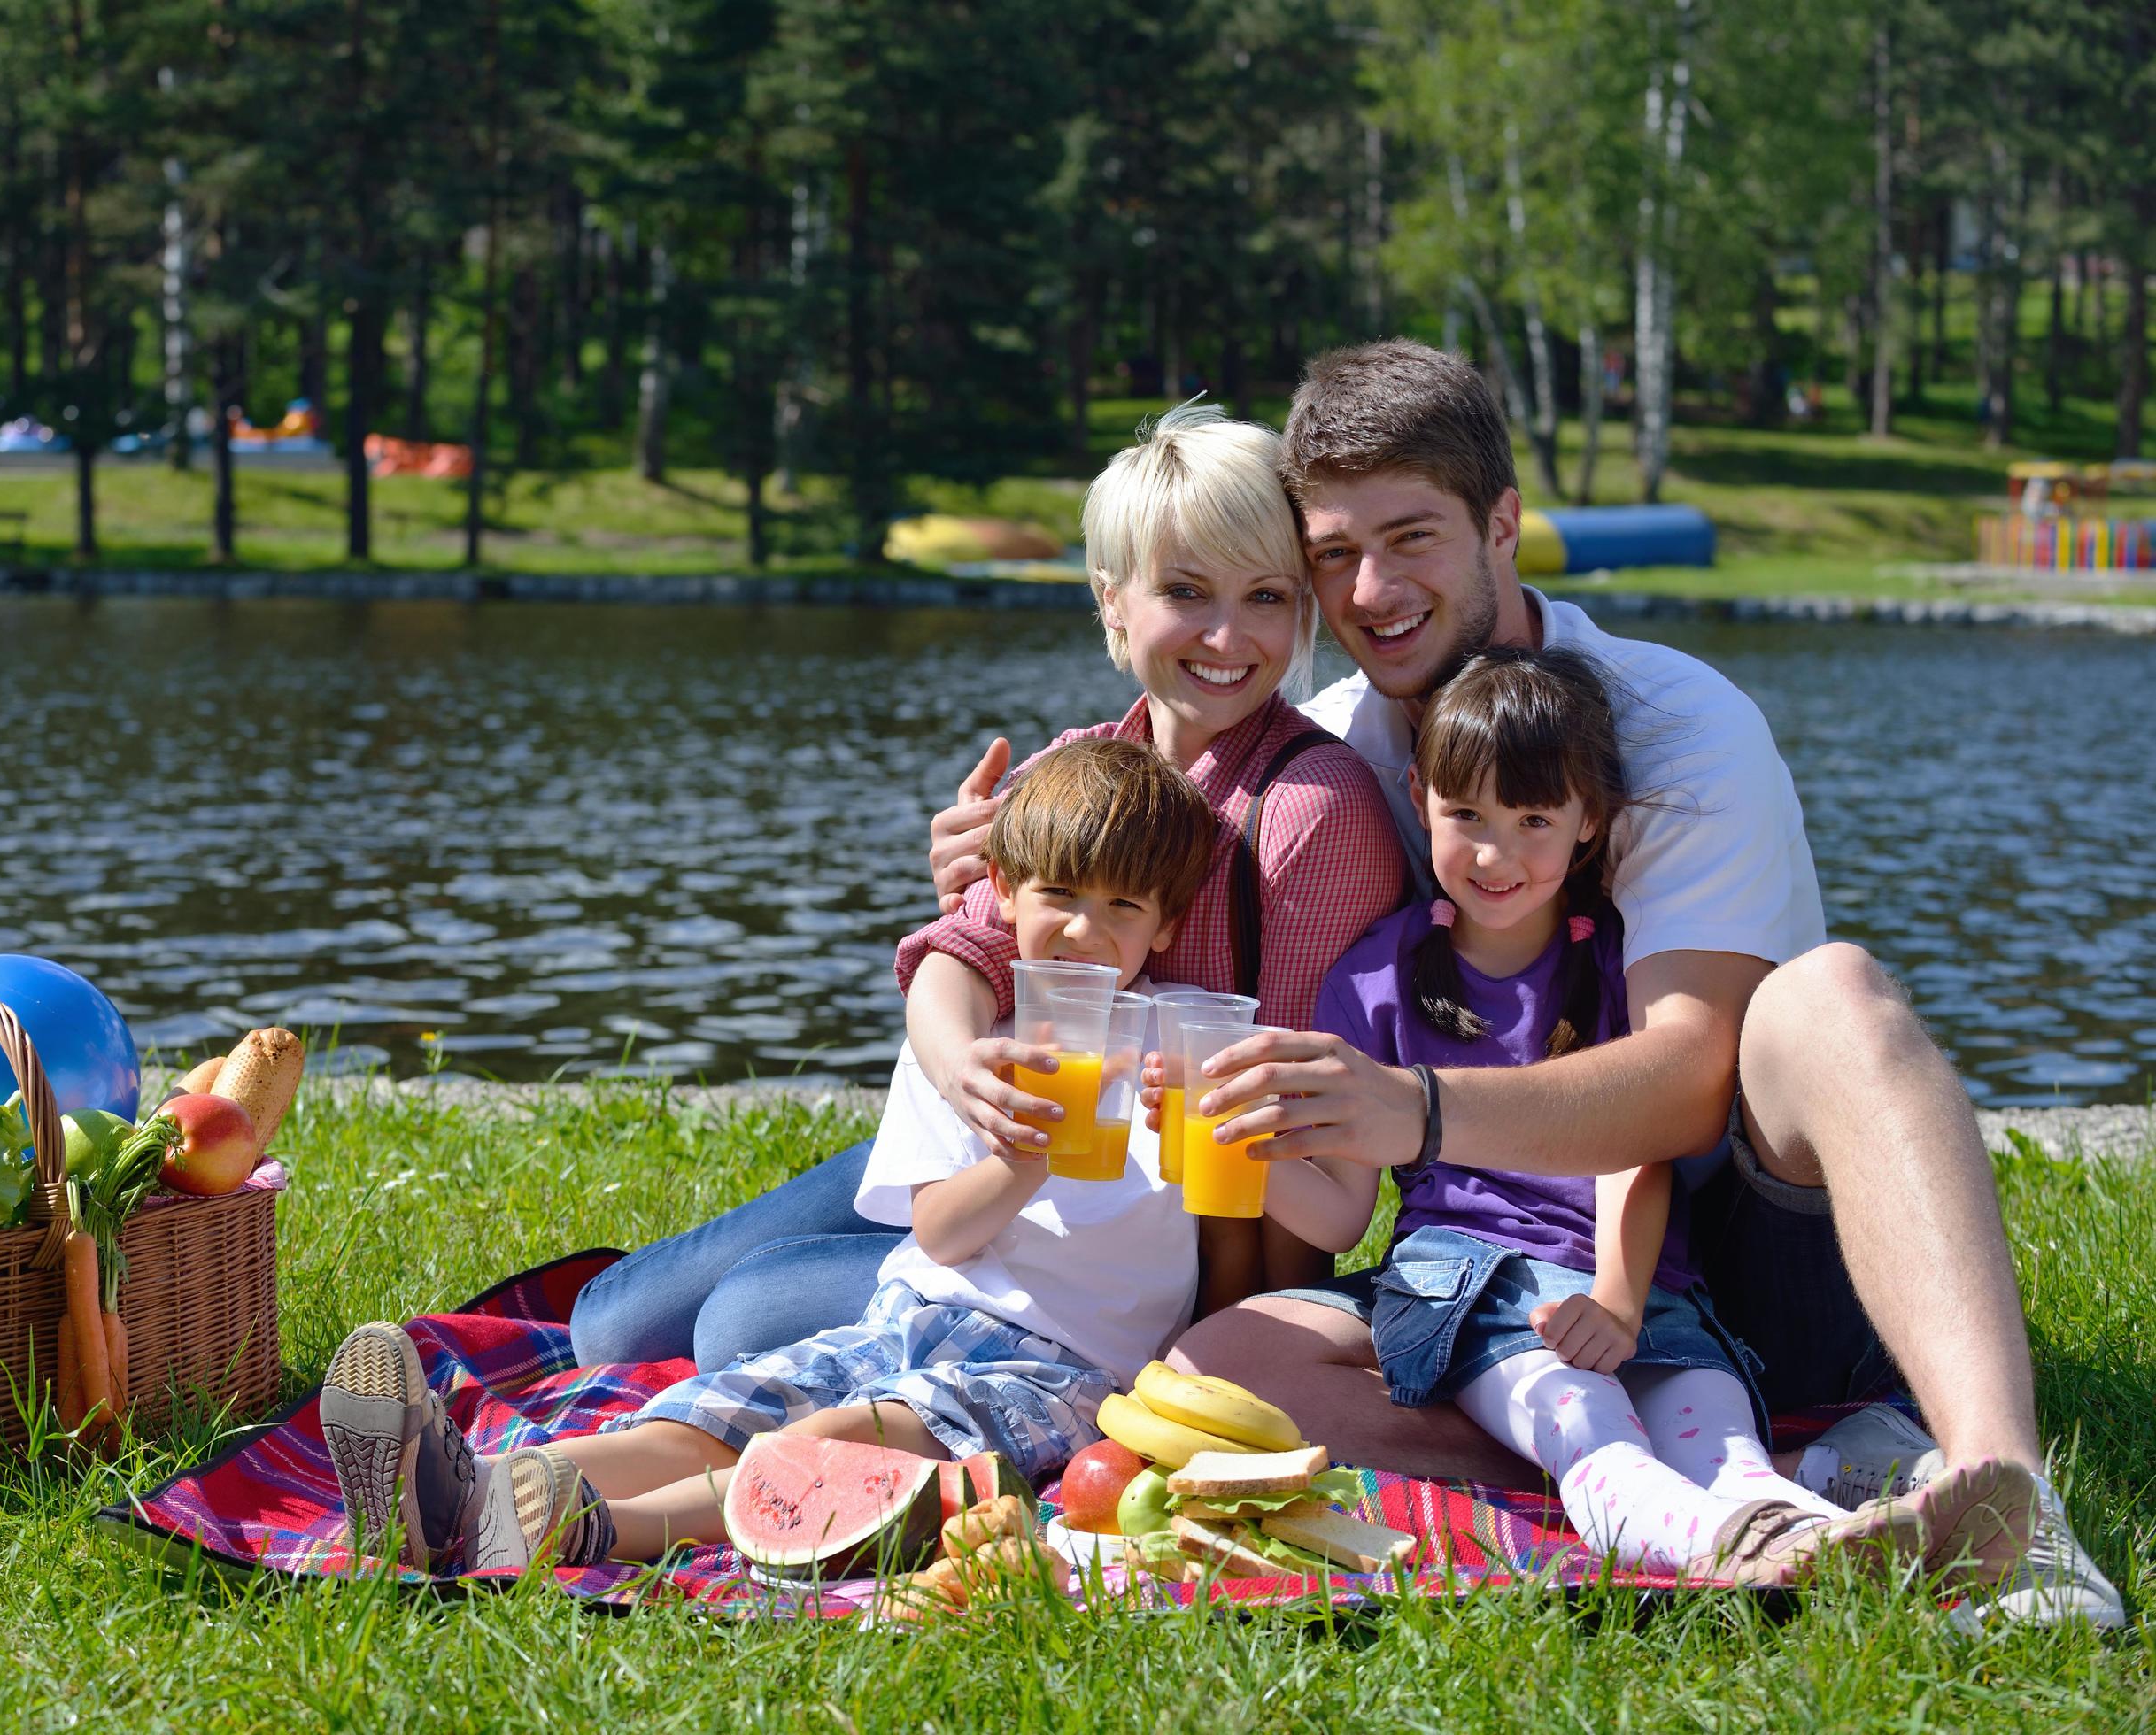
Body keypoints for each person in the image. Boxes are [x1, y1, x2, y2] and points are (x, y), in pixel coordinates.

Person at [1121, 338, 2115, 1625]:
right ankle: (1732, 1483)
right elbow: (1178, 806)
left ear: (1505, 525)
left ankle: (2001, 1495)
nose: (1370, 589)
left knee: (1832, 996)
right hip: (1501, 1287)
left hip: (1749, 1263)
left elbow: (1692, 1077)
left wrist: (1413, 1110)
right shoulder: (1359, 745)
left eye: (1412, 536)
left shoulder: (1675, 719)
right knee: (1222, 1370)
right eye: (1332, 553)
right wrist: (997, 870)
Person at [566, 400, 1404, 1370]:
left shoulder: (1310, 810)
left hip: (1131, 1252)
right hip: (1005, 1148)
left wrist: (1225, 1343)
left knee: (739, 1322)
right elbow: (958, 954)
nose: (1228, 634)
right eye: (1186, 590)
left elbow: (1305, 1138)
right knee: (610, 1329)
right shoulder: (1081, 761)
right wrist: (962, 1069)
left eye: (1266, 595)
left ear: (1302, 606)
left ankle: (885, 1299)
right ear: (1112, 601)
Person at [320, 739, 1217, 1571]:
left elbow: (1277, 1216)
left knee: (837, 1439)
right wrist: (1022, 1161)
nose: (1082, 931)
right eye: (1060, 894)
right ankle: (452, 1484)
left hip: (1063, 1368)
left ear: (1165, 926)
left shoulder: (1176, 1055)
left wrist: (1202, 1112)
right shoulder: (973, 1044)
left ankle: (586, 1526)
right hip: (911, 1310)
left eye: (1122, 907)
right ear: (1004, 889)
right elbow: (940, 1233)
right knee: (721, 1411)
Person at [1256, 641, 2026, 1584]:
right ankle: (1734, 1547)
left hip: (1648, 1288)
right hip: (1475, 1288)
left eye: (1534, 819)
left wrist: (1620, 1299)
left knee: (1723, 1444)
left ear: (1589, 824)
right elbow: (1339, 1212)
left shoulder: (1620, 959)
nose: (1496, 854)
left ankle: (1797, 1504)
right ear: (1418, 798)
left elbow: (1635, 1145)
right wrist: (1248, 1146)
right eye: (1466, 816)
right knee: (1590, 1434)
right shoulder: (1376, 976)